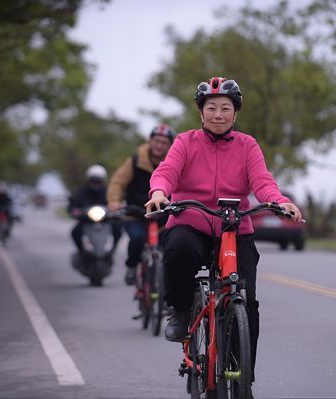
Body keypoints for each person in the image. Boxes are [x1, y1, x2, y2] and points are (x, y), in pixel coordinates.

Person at [145, 77, 302, 384]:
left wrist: (280, 202)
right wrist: (159, 192)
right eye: (212, 108)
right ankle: (179, 310)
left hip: (234, 226)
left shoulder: (247, 145)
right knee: (178, 249)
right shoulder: (186, 142)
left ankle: (243, 378)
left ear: (235, 113)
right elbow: (167, 171)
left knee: (247, 301)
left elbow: (263, 183)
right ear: (201, 113)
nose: (218, 114)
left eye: (225, 108)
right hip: (192, 221)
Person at [108, 124, 175, 285]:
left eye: (164, 143)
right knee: (137, 239)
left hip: (163, 216)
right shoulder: (135, 160)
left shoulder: (174, 162)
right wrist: (114, 201)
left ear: (170, 145)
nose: (159, 145)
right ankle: (132, 267)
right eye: (156, 141)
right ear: (150, 141)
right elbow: (118, 181)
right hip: (136, 214)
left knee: (171, 247)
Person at [68, 164, 122, 255]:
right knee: (75, 232)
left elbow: (115, 203)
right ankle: (82, 252)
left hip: (105, 221)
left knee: (117, 229)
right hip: (86, 221)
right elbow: (73, 204)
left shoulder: (108, 193)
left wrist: (116, 209)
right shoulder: (81, 192)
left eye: (98, 181)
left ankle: (111, 251)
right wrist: (74, 210)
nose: (96, 183)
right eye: (94, 181)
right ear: (89, 180)